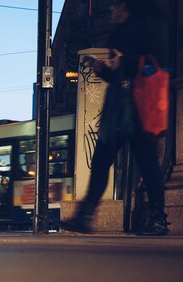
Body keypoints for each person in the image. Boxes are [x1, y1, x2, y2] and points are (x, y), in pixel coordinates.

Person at [60, 0, 170, 236]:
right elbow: (117, 74)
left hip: (140, 106)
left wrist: (126, 61)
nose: (111, 12)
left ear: (126, 8)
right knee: (101, 163)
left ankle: (158, 219)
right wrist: (103, 69)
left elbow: (158, 64)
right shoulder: (119, 32)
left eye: (114, 7)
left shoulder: (149, 24)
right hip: (119, 107)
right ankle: (84, 216)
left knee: (148, 165)